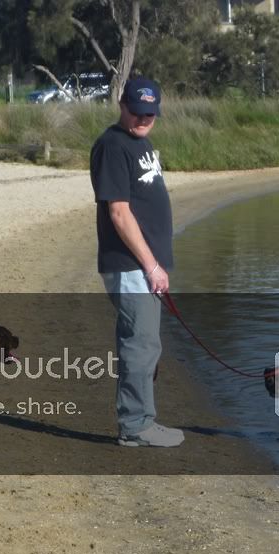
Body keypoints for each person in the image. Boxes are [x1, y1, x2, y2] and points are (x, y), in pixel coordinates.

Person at [90, 76, 184, 448]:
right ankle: (135, 426)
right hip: (130, 265)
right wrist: (152, 265)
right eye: (138, 112)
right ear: (122, 106)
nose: (144, 120)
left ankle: (143, 420)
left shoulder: (139, 141)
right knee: (140, 346)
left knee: (146, 345)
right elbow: (119, 213)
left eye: (151, 114)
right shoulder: (112, 146)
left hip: (143, 266)